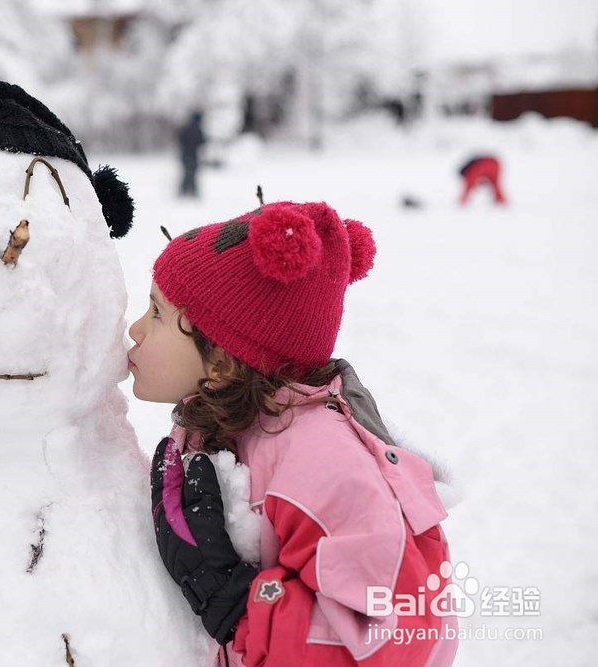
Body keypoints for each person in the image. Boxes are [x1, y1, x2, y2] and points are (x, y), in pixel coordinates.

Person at [128, 201, 459, 667]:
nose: (135, 329)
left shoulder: (319, 463)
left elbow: (397, 638)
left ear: (221, 359)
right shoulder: (238, 424)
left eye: (157, 313)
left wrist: (240, 606)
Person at [179, 110, 206, 197]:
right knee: (192, 174)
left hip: (185, 155)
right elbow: (202, 141)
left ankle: (184, 191)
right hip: (193, 155)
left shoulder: (186, 128)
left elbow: (180, 140)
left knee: (187, 173)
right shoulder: (198, 130)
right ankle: (191, 192)